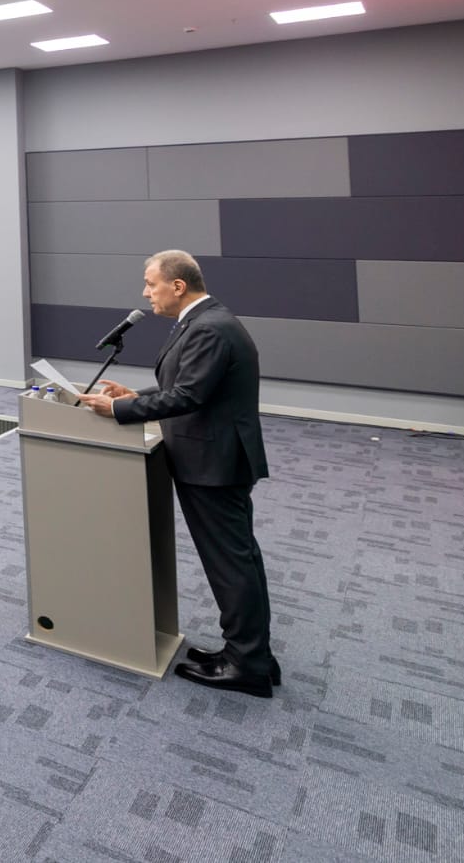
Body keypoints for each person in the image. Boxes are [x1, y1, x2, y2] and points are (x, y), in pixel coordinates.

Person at [78, 250, 276, 698]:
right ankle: (251, 653)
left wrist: (119, 410)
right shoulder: (204, 321)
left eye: (151, 284)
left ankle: (246, 663)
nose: (146, 293)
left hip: (214, 463)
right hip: (214, 457)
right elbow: (188, 384)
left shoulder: (209, 327)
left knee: (231, 563)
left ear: (178, 286)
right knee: (239, 558)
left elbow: (189, 396)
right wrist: (135, 395)